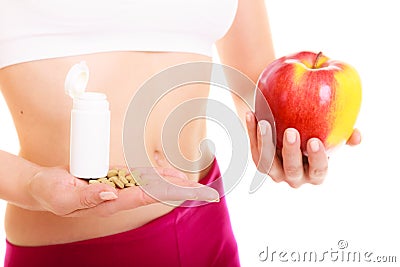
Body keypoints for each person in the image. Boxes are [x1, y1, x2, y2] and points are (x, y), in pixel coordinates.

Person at [0, 0, 361, 266]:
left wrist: (285, 142)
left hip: (208, 228)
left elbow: (257, 88)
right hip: (74, 251)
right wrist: (32, 184)